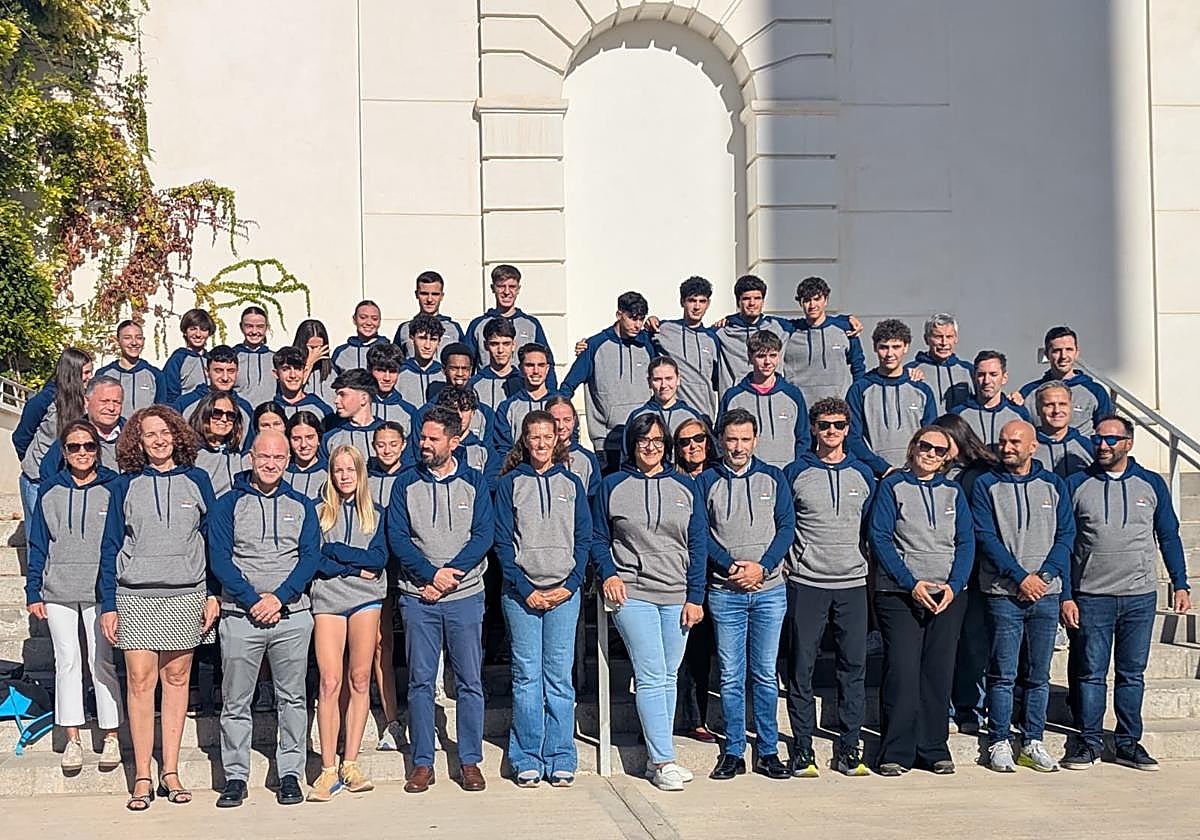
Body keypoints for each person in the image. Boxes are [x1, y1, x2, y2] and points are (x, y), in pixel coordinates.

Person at [98, 405, 219, 811]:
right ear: (138, 441)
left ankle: (170, 770)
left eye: (165, 432)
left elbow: (212, 542)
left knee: (178, 679)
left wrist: (213, 593)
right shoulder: (123, 485)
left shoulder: (198, 480)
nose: (159, 440)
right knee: (139, 681)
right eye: (149, 434)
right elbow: (110, 546)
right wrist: (109, 604)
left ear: (177, 435)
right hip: (135, 596)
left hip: (186, 593)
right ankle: (142, 776)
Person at [1060, 415, 1191, 771]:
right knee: (1090, 672)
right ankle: (1087, 742)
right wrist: (1065, 595)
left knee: (1132, 673)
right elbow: (1064, 543)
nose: (1103, 445)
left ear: (1128, 443)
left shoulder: (1150, 484)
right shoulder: (1075, 484)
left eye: (1111, 440)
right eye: (1098, 439)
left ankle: (1128, 742)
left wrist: (1180, 582)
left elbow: (1168, 535)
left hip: (1139, 595)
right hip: (1091, 595)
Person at [592, 413, 707, 791]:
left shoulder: (685, 487)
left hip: (677, 595)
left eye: (658, 440)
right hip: (633, 592)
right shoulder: (612, 486)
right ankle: (663, 760)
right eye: (643, 440)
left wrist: (695, 597)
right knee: (652, 673)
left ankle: (658, 756)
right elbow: (596, 537)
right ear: (632, 444)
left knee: (669, 675)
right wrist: (608, 573)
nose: (650, 446)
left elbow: (698, 545)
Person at [208, 430, 320, 808]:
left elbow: (309, 559)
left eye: (278, 458)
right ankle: (236, 777)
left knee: (293, 698)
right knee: (236, 700)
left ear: (287, 461)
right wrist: (254, 600)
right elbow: (221, 560)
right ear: (251, 458)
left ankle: (290, 773)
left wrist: (279, 598)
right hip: (241, 617)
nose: (271, 464)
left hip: (291, 617)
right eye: (264, 457)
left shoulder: (302, 505)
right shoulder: (227, 505)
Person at [387, 406, 494, 794]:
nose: (425, 444)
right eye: (423, 437)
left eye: (434, 438)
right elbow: (398, 538)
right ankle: (422, 762)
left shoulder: (475, 483)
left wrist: (450, 577)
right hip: (419, 598)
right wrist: (430, 576)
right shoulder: (405, 484)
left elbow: (483, 536)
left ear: (455, 441)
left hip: (465, 596)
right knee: (419, 681)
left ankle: (469, 760)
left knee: (469, 681)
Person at [868, 425, 974, 776]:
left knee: (937, 674)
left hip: (946, 596)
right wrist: (911, 583)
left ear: (947, 458)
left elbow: (965, 542)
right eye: (925, 446)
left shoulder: (953, 492)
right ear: (913, 448)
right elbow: (880, 538)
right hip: (900, 595)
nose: (930, 454)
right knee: (902, 670)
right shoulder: (892, 486)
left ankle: (933, 748)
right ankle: (895, 751)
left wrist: (955, 586)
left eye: (939, 451)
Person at [971, 420, 1074, 773]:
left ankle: (1033, 740)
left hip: (1046, 594)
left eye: (1015, 441)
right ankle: (999, 740)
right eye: (1002, 441)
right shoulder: (986, 485)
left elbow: (1066, 537)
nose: (1007, 447)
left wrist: (1043, 578)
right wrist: (1020, 577)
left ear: (1033, 446)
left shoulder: (1054, 485)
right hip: (1003, 594)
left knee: (1038, 674)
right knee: (1003, 673)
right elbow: (985, 536)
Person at [697, 409, 794, 781]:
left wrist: (762, 567)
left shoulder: (774, 478)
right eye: (731, 439)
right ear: (721, 440)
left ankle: (768, 750)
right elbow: (700, 533)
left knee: (766, 675)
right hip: (725, 591)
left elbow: (786, 527)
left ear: (756, 439)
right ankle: (734, 749)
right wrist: (731, 568)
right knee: (731, 675)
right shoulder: (707, 480)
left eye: (745, 439)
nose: (738, 446)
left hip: (769, 591)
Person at [494, 411, 591, 787]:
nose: (540, 443)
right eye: (533, 436)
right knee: (526, 676)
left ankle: (561, 754)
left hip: (565, 593)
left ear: (557, 440)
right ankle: (527, 756)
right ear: (524, 440)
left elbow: (584, 538)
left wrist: (571, 584)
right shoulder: (510, 484)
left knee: (559, 677)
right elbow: (503, 543)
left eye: (546, 436)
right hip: (522, 596)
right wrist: (525, 589)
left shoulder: (571, 483)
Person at [782, 397, 875, 778]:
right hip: (807, 583)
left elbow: (871, 528)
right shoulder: (794, 472)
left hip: (853, 583)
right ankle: (803, 748)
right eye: (824, 425)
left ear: (848, 429)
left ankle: (849, 747)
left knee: (853, 667)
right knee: (801, 668)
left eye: (838, 425)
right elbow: (784, 523)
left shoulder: (863, 475)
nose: (831, 431)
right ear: (813, 429)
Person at [26, 421, 123, 773]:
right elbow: (38, 544)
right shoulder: (50, 491)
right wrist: (33, 588)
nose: (82, 453)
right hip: (58, 590)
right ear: (64, 452)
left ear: (97, 449)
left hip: (99, 591)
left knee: (102, 661)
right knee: (66, 662)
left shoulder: (114, 488)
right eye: (74, 447)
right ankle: (73, 738)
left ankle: (110, 735)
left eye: (88, 446)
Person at [307, 445, 388, 801]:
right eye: (338, 470)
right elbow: (319, 560)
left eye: (350, 470)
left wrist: (339, 554)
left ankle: (350, 762)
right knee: (329, 680)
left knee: (359, 678)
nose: (344, 477)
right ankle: (328, 768)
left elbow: (380, 558)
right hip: (328, 600)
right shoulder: (318, 512)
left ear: (360, 473)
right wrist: (355, 565)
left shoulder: (377, 514)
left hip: (366, 601)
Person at [932, 413, 1000, 734]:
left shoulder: (981, 474)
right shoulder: (932, 473)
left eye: (944, 443)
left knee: (973, 644)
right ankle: (941, 707)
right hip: (939, 571)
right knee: (945, 647)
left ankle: (971, 706)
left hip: (973, 574)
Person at [562, 292, 659, 471]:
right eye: (632, 318)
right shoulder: (595, 345)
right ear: (619, 314)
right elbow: (567, 388)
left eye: (641, 319)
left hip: (642, 439)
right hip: (607, 443)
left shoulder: (648, 344)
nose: (637, 325)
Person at [671, 416, 719, 744]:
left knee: (708, 655)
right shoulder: (673, 480)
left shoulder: (719, 476)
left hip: (721, 575)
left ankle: (705, 715)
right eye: (685, 442)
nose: (693, 446)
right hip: (685, 576)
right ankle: (689, 718)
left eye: (698, 439)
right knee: (688, 654)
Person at [846, 319, 937, 476]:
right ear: (875, 348)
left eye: (896, 347)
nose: (890, 354)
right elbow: (852, 437)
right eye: (884, 347)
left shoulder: (922, 390)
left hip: (915, 474)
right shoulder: (860, 389)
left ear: (906, 347)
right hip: (875, 476)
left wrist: (917, 467)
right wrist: (883, 468)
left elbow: (931, 436)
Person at [13, 347, 93, 525]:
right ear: (72, 373)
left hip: (67, 480)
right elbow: (21, 437)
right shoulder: (45, 400)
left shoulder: (85, 401)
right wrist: (35, 463)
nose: (90, 377)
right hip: (37, 482)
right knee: (37, 539)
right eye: (86, 373)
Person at [366, 420, 407, 752]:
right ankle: (390, 719)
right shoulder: (365, 479)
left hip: (406, 571)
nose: (387, 450)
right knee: (381, 646)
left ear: (403, 444)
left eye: (393, 444)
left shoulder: (411, 478)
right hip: (376, 575)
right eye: (381, 444)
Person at [717, 330, 810, 468]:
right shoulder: (733, 397)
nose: (767, 362)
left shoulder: (793, 394)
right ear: (750, 357)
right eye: (761, 356)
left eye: (772, 355)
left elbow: (803, 437)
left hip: (786, 473)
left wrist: (797, 469)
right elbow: (720, 437)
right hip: (746, 474)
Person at [466, 264, 556, 387]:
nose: (507, 292)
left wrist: (550, 392)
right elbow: (466, 363)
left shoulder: (531, 325)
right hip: (484, 391)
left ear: (518, 289)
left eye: (512, 287)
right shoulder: (478, 325)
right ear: (493, 288)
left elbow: (547, 361)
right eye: (501, 286)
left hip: (522, 391)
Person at [1018, 326, 1114, 437]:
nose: (1063, 356)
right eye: (1056, 351)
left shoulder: (1096, 391)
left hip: (1081, 454)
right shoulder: (1029, 392)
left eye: (1069, 350)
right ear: (1047, 354)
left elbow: (1106, 431)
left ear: (1076, 353)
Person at [782, 276, 865, 403]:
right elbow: (762, 320)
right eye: (807, 300)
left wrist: (857, 399)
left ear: (826, 300)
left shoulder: (845, 328)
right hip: (799, 406)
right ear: (800, 303)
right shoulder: (789, 330)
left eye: (817, 299)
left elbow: (858, 366)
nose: (812, 305)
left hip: (837, 408)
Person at [650, 276, 721, 420]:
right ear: (682, 302)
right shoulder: (663, 329)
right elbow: (634, 334)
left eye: (702, 301)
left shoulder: (713, 338)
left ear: (708, 304)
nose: (697, 307)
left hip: (703, 416)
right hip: (670, 415)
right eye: (692, 301)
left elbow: (716, 380)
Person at [714, 275, 793, 396]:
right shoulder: (722, 332)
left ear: (763, 301)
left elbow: (811, 324)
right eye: (746, 298)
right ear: (738, 302)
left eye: (757, 298)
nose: (752, 303)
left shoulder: (780, 327)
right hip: (736, 403)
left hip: (772, 399)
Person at [38, 375, 124, 480]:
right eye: (104, 401)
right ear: (87, 402)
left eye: (117, 402)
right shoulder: (73, 434)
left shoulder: (133, 434)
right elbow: (48, 472)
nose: (111, 408)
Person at [950, 350, 1030, 448]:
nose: (986, 381)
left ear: (1004, 378)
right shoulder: (958, 414)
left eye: (993, 374)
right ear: (974, 377)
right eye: (981, 375)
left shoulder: (1018, 414)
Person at [173, 345, 254, 432]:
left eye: (231, 371)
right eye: (219, 371)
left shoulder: (245, 407)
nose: (225, 378)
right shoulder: (185, 403)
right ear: (207, 372)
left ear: (237, 372)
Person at [905, 314, 974, 415]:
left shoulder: (969, 370)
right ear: (926, 339)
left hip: (959, 430)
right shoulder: (911, 370)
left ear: (956, 339)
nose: (944, 342)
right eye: (938, 337)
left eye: (949, 337)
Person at [428, 344, 496, 446]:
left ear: (471, 371)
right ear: (443, 369)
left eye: (465, 369)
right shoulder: (428, 411)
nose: (460, 373)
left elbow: (489, 452)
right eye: (454, 368)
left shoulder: (486, 413)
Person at [436, 386, 500, 491]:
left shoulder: (486, 451)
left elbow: (490, 488)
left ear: (473, 412)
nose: (460, 416)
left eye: (464, 409)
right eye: (453, 409)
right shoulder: (433, 447)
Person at [625, 356, 707, 438]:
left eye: (669, 378)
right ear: (649, 382)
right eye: (657, 379)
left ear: (678, 380)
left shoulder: (691, 415)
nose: (663, 385)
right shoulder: (637, 416)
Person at [95, 320, 165, 415]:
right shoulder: (104, 374)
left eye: (139, 338)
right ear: (117, 340)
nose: (134, 342)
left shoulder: (155, 375)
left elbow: (161, 411)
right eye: (127, 338)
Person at [494, 342, 554, 453]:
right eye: (530, 365)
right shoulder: (507, 407)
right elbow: (503, 448)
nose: (536, 371)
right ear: (521, 369)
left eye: (541, 365)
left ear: (547, 368)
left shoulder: (560, 404)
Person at [393, 270, 466, 357]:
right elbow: (395, 363)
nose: (429, 299)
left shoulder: (454, 329)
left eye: (435, 294)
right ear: (416, 294)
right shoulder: (405, 329)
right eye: (424, 294)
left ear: (442, 296)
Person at [188, 390, 247, 497]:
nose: (224, 419)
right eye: (217, 413)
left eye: (230, 415)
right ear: (205, 414)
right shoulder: (192, 453)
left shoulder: (235, 452)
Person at [1032, 381, 1095, 478]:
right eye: (1049, 405)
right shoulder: (1028, 446)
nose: (1057, 411)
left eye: (1062, 404)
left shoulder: (1087, 446)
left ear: (1070, 407)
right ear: (1038, 409)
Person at [322, 368, 385, 464]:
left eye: (342, 395)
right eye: (337, 395)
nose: (336, 400)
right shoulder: (331, 438)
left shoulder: (389, 434)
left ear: (363, 399)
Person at [545, 394, 600, 499]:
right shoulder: (539, 455)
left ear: (574, 420)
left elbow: (593, 497)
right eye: (556, 420)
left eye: (567, 420)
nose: (561, 426)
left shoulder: (587, 459)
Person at [367, 341, 422, 440]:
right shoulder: (359, 405)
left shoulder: (409, 411)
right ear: (370, 370)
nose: (387, 378)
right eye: (381, 370)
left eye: (392, 371)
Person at [469, 316, 523, 414]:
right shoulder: (473, 384)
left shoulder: (524, 383)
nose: (500, 350)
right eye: (494, 344)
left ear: (513, 345)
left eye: (506, 344)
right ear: (486, 345)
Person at [163, 308, 216, 405]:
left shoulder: (211, 359)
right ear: (185, 331)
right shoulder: (178, 358)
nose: (198, 334)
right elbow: (170, 393)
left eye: (203, 330)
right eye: (193, 329)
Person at [395, 313, 445, 408]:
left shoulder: (444, 375)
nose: (427, 346)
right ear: (412, 338)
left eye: (433, 340)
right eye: (422, 338)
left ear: (439, 342)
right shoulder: (399, 374)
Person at [272, 345, 333, 420]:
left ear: (304, 372)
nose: (293, 375)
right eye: (286, 369)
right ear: (276, 374)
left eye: (297, 369)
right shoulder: (271, 411)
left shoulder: (323, 410)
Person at [232, 305, 275, 408]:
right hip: (238, 416)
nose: (254, 332)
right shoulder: (232, 356)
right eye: (249, 326)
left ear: (266, 328)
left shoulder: (275, 358)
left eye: (260, 326)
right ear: (241, 327)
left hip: (269, 418)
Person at [331, 299, 388, 374]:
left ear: (379, 321)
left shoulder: (389, 350)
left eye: (374, 319)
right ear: (354, 319)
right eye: (363, 317)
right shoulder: (341, 352)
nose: (369, 323)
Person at [284, 410, 329, 501]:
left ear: (319, 439)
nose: (303, 444)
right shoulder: (281, 472)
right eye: (296, 439)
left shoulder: (330, 472)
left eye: (309, 437)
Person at [293, 318, 338, 408]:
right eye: (312, 347)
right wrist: (309, 362)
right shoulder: (290, 367)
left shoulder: (332, 370)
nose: (317, 352)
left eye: (320, 347)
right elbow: (295, 388)